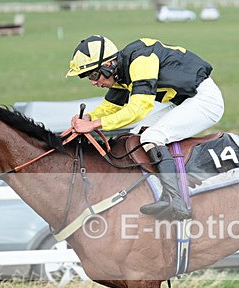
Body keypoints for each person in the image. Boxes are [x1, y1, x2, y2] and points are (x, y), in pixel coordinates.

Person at [66, 35, 224, 220]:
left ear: (108, 65)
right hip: (184, 101)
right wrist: (89, 117)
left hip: (204, 101)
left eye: (93, 75)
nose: (93, 82)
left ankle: (176, 200)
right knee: (134, 137)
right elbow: (111, 106)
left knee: (151, 137)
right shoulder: (121, 69)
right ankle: (158, 192)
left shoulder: (140, 61)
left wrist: (94, 125)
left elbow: (138, 109)